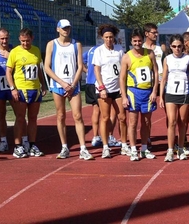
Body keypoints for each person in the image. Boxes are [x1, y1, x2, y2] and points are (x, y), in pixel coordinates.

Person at [44, 19, 94, 160]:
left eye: (68, 28)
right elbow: (47, 67)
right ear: (58, 29)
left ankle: (83, 148)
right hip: (58, 85)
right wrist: (61, 82)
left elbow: (79, 66)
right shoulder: (51, 44)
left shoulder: (76, 44)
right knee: (60, 116)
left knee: (78, 116)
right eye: (64, 28)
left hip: (73, 86)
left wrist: (72, 84)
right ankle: (64, 146)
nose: (66, 30)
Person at [0, 28, 29, 153]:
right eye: (2, 38)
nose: (4, 41)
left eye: (6, 38)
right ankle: (3, 141)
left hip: (13, 87)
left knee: (20, 115)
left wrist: (10, 56)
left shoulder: (15, 50)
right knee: (1, 114)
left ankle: (25, 140)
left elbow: (23, 65)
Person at [6, 28, 47, 158]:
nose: (25, 44)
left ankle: (32, 144)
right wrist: (13, 88)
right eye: (23, 41)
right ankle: (18, 146)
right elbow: (8, 72)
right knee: (20, 118)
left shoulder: (36, 51)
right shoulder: (14, 52)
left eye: (27, 41)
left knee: (33, 118)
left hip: (35, 89)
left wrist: (43, 85)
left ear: (32, 39)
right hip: (21, 89)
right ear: (19, 40)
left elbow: (39, 70)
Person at [120, 28, 158, 161]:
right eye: (135, 41)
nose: (137, 43)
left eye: (139, 41)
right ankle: (133, 149)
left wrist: (154, 91)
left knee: (146, 122)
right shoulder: (127, 57)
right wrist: (124, 96)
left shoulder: (150, 54)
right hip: (133, 92)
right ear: (131, 41)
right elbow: (122, 78)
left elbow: (156, 73)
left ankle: (144, 148)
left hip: (148, 92)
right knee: (133, 122)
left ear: (143, 40)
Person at [92, 24, 128, 158]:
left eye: (111, 37)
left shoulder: (119, 49)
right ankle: (105, 146)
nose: (109, 40)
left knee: (122, 117)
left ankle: (124, 144)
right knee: (105, 117)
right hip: (105, 89)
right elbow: (96, 70)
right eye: (106, 37)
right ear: (102, 38)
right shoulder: (99, 51)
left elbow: (124, 67)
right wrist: (101, 87)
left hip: (118, 88)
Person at [160, 34, 189, 162]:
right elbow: (163, 79)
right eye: (174, 46)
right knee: (172, 121)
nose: (177, 49)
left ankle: (180, 148)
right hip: (170, 94)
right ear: (171, 47)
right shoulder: (167, 59)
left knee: (182, 122)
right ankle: (170, 150)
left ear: (183, 46)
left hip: (184, 93)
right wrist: (161, 97)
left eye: (179, 46)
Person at [83, 45, 121, 147]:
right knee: (111, 112)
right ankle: (109, 136)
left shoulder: (90, 49)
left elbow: (80, 61)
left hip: (90, 83)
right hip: (101, 84)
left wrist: (87, 72)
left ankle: (95, 136)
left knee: (96, 111)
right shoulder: (103, 50)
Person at [142, 23, 163, 149]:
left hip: (161, 83)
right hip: (147, 85)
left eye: (156, 32)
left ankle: (175, 141)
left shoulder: (161, 49)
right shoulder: (140, 47)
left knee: (170, 113)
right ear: (146, 34)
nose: (156, 34)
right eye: (153, 32)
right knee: (147, 114)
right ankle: (147, 138)